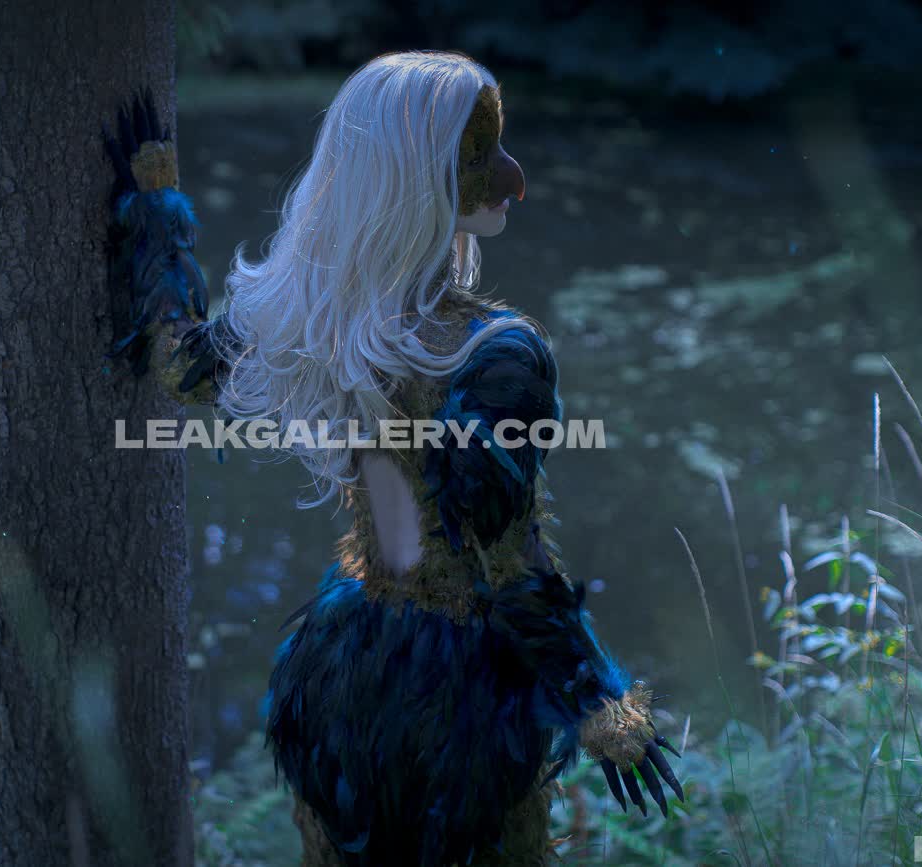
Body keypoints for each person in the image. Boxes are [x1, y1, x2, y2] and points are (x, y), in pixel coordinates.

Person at [104, 50, 684, 866]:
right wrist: (601, 704)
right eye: (479, 156)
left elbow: (179, 361)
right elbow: (511, 565)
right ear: (413, 180)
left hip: (348, 673)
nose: (513, 179)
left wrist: (157, 213)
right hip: (461, 703)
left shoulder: (305, 318)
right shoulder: (496, 355)